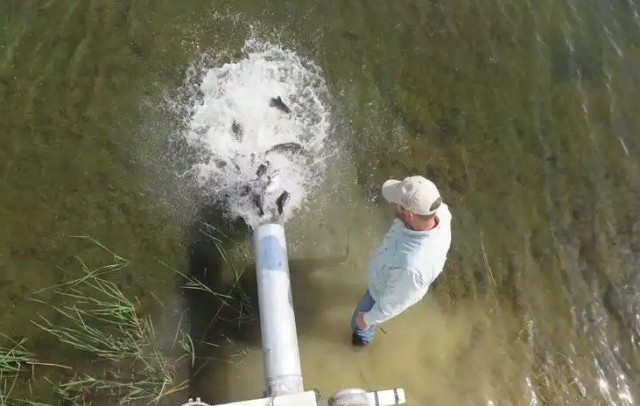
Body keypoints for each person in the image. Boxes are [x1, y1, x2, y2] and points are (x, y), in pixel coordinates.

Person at [350, 175, 452, 346]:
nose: (392, 204)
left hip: (384, 293)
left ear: (410, 214)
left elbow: (393, 304)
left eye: (397, 204)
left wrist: (367, 319)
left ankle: (360, 343)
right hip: (388, 275)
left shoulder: (412, 267)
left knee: (358, 324)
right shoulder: (440, 211)